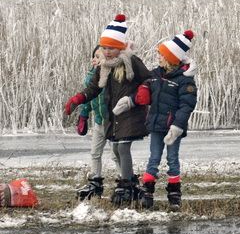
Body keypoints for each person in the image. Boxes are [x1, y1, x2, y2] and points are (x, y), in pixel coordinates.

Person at [64, 14, 151, 206]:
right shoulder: (103, 66)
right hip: (114, 116)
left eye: (111, 48)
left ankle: (126, 185)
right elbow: (94, 87)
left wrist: (142, 92)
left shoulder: (132, 61)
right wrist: (80, 98)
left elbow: (149, 79)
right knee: (116, 149)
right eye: (104, 48)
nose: (107, 51)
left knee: (122, 147)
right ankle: (129, 182)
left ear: (120, 47)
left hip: (130, 113)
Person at [141, 30, 198, 210]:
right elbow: (142, 88)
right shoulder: (154, 75)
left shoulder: (184, 81)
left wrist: (177, 127)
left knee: (172, 159)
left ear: (171, 59)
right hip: (157, 126)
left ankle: (174, 194)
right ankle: (147, 193)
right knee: (154, 158)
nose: (158, 57)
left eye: (161, 55)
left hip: (174, 128)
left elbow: (186, 106)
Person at [72, 45, 113, 200]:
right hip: (98, 121)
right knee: (95, 152)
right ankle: (95, 182)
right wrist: (83, 114)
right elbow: (88, 97)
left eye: (99, 56)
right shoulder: (91, 76)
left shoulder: (110, 76)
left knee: (116, 154)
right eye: (94, 56)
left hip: (112, 121)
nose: (95, 59)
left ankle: (124, 181)